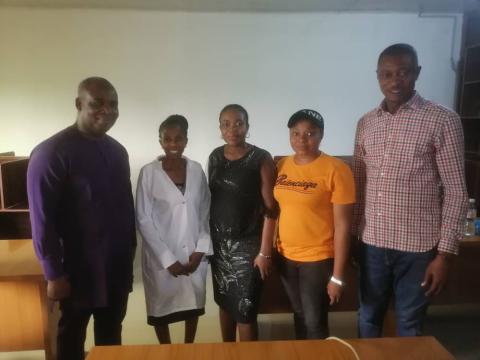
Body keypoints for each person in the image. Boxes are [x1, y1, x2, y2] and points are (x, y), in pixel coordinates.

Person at [352, 43, 468, 337]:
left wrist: (444, 255)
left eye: (403, 72)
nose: (394, 81)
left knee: (409, 324)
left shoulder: (442, 119)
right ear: (377, 77)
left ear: (416, 73)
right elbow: (359, 182)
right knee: (367, 318)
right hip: (372, 243)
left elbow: (456, 190)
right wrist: (354, 236)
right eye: (386, 74)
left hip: (418, 249)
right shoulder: (366, 123)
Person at [26, 77, 136, 359]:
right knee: (71, 337)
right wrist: (53, 273)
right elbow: (41, 220)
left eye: (113, 104)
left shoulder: (118, 152)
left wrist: (129, 258)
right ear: (78, 104)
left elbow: (124, 209)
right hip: (75, 270)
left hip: (114, 266)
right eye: (97, 103)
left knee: (111, 335)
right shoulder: (50, 154)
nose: (107, 111)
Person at [274, 109, 355, 339]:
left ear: (321, 135)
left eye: (310, 133)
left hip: (318, 259)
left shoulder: (337, 169)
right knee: (299, 314)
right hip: (286, 256)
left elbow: (343, 227)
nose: (302, 139)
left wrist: (338, 276)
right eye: (296, 133)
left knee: (314, 320)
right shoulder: (281, 166)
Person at [136, 115, 212, 344]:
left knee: (193, 307)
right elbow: (143, 219)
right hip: (161, 257)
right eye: (167, 139)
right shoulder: (148, 173)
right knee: (161, 311)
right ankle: (165, 351)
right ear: (160, 141)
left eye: (178, 139)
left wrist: (200, 250)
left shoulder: (197, 170)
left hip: (193, 254)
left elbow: (205, 211)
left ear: (186, 140)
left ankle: (189, 348)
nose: (173, 144)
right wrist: (168, 259)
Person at [208, 104, 278, 341]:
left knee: (245, 310)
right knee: (225, 303)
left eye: (239, 123)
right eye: (226, 124)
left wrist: (265, 252)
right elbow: (214, 199)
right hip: (219, 247)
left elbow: (271, 209)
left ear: (247, 127)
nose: (233, 129)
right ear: (220, 128)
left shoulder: (261, 158)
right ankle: (227, 351)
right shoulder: (215, 156)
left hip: (249, 246)